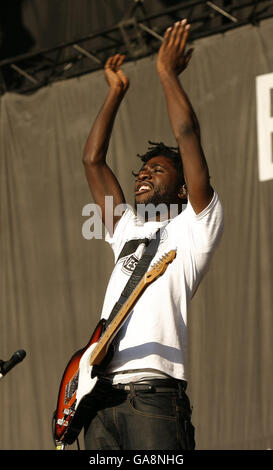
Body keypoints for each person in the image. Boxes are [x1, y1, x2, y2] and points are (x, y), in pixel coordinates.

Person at [82, 19, 223, 450]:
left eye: (157, 169)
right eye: (143, 168)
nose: (144, 173)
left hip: (154, 399)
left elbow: (187, 133)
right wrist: (115, 93)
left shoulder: (196, 225)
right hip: (100, 401)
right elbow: (92, 160)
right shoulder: (127, 228)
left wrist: (167, 75)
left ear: (182, 188)